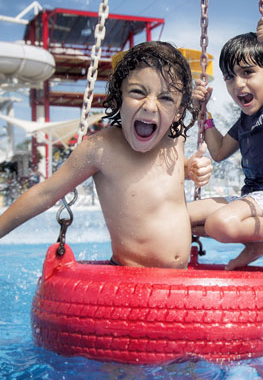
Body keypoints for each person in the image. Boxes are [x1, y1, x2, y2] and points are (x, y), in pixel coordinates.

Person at [0, 41, 213, 269]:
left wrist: (189, 168)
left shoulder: (174, 139)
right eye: (138, 92)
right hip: (128, 278)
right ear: (118, 97)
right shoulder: (100, 149)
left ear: (178, 111)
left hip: (178, 278)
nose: (150, 106)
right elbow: (45, 194)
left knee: (227, 210)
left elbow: (165, 174)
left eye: (166, 98)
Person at [188, 17, 263, 272]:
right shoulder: (244, 122)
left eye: (248, 72)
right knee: (182, 216)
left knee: (218, 224)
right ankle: (258, 244)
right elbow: (218, 151)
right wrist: (203, 113)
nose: (238, 84)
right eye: (230, 77)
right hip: (252, 198)